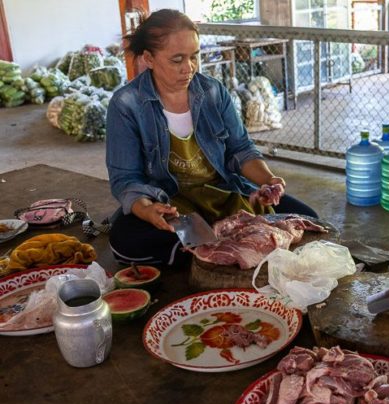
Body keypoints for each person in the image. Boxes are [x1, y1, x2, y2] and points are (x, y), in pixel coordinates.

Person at [105, 9, 317, 266]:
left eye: (194, 56)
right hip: (172, 203)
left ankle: (212, 249)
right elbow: (125, 178)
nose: (189, 67)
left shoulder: (213, 92)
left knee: (309, 220)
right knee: (124, 242)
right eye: (177, 59)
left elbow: (241, 150)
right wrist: (147, 210)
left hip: (223, 193)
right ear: (148, 58)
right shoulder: (127, 103)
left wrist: (268, 180)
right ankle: (235, 247)